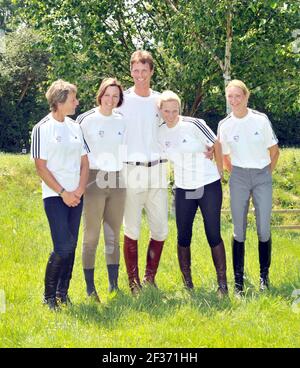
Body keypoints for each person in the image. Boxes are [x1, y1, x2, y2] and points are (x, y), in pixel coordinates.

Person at [158, 90, 228, 296]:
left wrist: (220, 171)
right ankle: (187, 283)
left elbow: (216, 143)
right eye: (166, 111)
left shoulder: (193, 124)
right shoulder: (160, 132)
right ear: (161, 111)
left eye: (175, 110)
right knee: (183, 235)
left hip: (208, 185)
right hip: (183, 188)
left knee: (213, 232)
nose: (171, 115)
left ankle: (222, 284)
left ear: (180, 109)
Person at [30, 79, 89, 310]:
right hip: (55, 196)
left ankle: (63, 294)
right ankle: (48, 297)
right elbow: (40, 167)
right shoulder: (42, 128)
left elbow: (85, 162)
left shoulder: (76, 127)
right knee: (63, 246)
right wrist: (64, 193)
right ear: (60, 100)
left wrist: (80, 190)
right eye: (73, 98)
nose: (77, 102)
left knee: (71, 245)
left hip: (77, 194)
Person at [218, 79, 279, 294]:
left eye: (238, 96)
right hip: (239, 177)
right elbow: (224, 155)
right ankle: (238, 281)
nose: (234, 100)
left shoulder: (260, 120)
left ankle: (264, 276)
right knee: (239, 230)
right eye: (230, 97)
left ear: (246, 97)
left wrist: (265, 175)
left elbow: (274, 151)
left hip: (262, 175)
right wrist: (235, 174)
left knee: (263, 228)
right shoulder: (225, 125)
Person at [116, 50, 169, 294]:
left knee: (160, 228)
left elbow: (176, 124)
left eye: (144, 71)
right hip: (131, 170)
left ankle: (150, 277)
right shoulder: (122, 101)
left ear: (151, 72)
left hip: (158, 168)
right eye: (135, 71)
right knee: (132, 228)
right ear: (131, 72)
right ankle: (133, 281)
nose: (139, 75)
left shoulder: (160, 101)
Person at [77, 78, 126, 300]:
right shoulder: (85, 120)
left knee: (113, 235)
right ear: (100, 95)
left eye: (115, 96)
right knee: (91, 236)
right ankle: (90, 288)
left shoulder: (122, 120)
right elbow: (77, 153)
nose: (111, 99)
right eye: (107, 94)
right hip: (94, 179)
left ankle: (113, 286)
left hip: (117, 180)